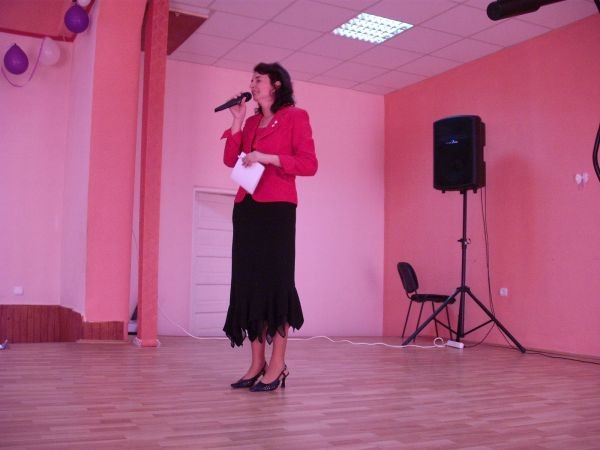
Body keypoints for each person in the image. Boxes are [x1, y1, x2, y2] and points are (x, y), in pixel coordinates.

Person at [221, 62, 318, 392]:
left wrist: (268, 157)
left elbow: (309, 164)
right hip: (247, 208)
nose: (252, 84)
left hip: (277, 208)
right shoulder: (250, 122)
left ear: (276, 84)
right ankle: (256, 363)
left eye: (258, 79)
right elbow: (230, 159)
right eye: (251, 80)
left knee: (276, 284)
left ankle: (278, 364)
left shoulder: (295, 117)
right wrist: (237, 120)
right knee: (249, 285)